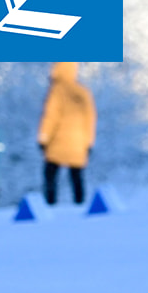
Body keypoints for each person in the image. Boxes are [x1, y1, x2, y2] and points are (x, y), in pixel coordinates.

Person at [38, 62, 96, 205]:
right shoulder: (83, 92)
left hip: (58, 141)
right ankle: (79, 203)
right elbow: (90, 119)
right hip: (78, 142)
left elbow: (50, 116)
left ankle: (50, 203)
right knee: (76, 174)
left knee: (50, 173)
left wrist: (43, 138)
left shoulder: (56, 90)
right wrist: (89, 142)